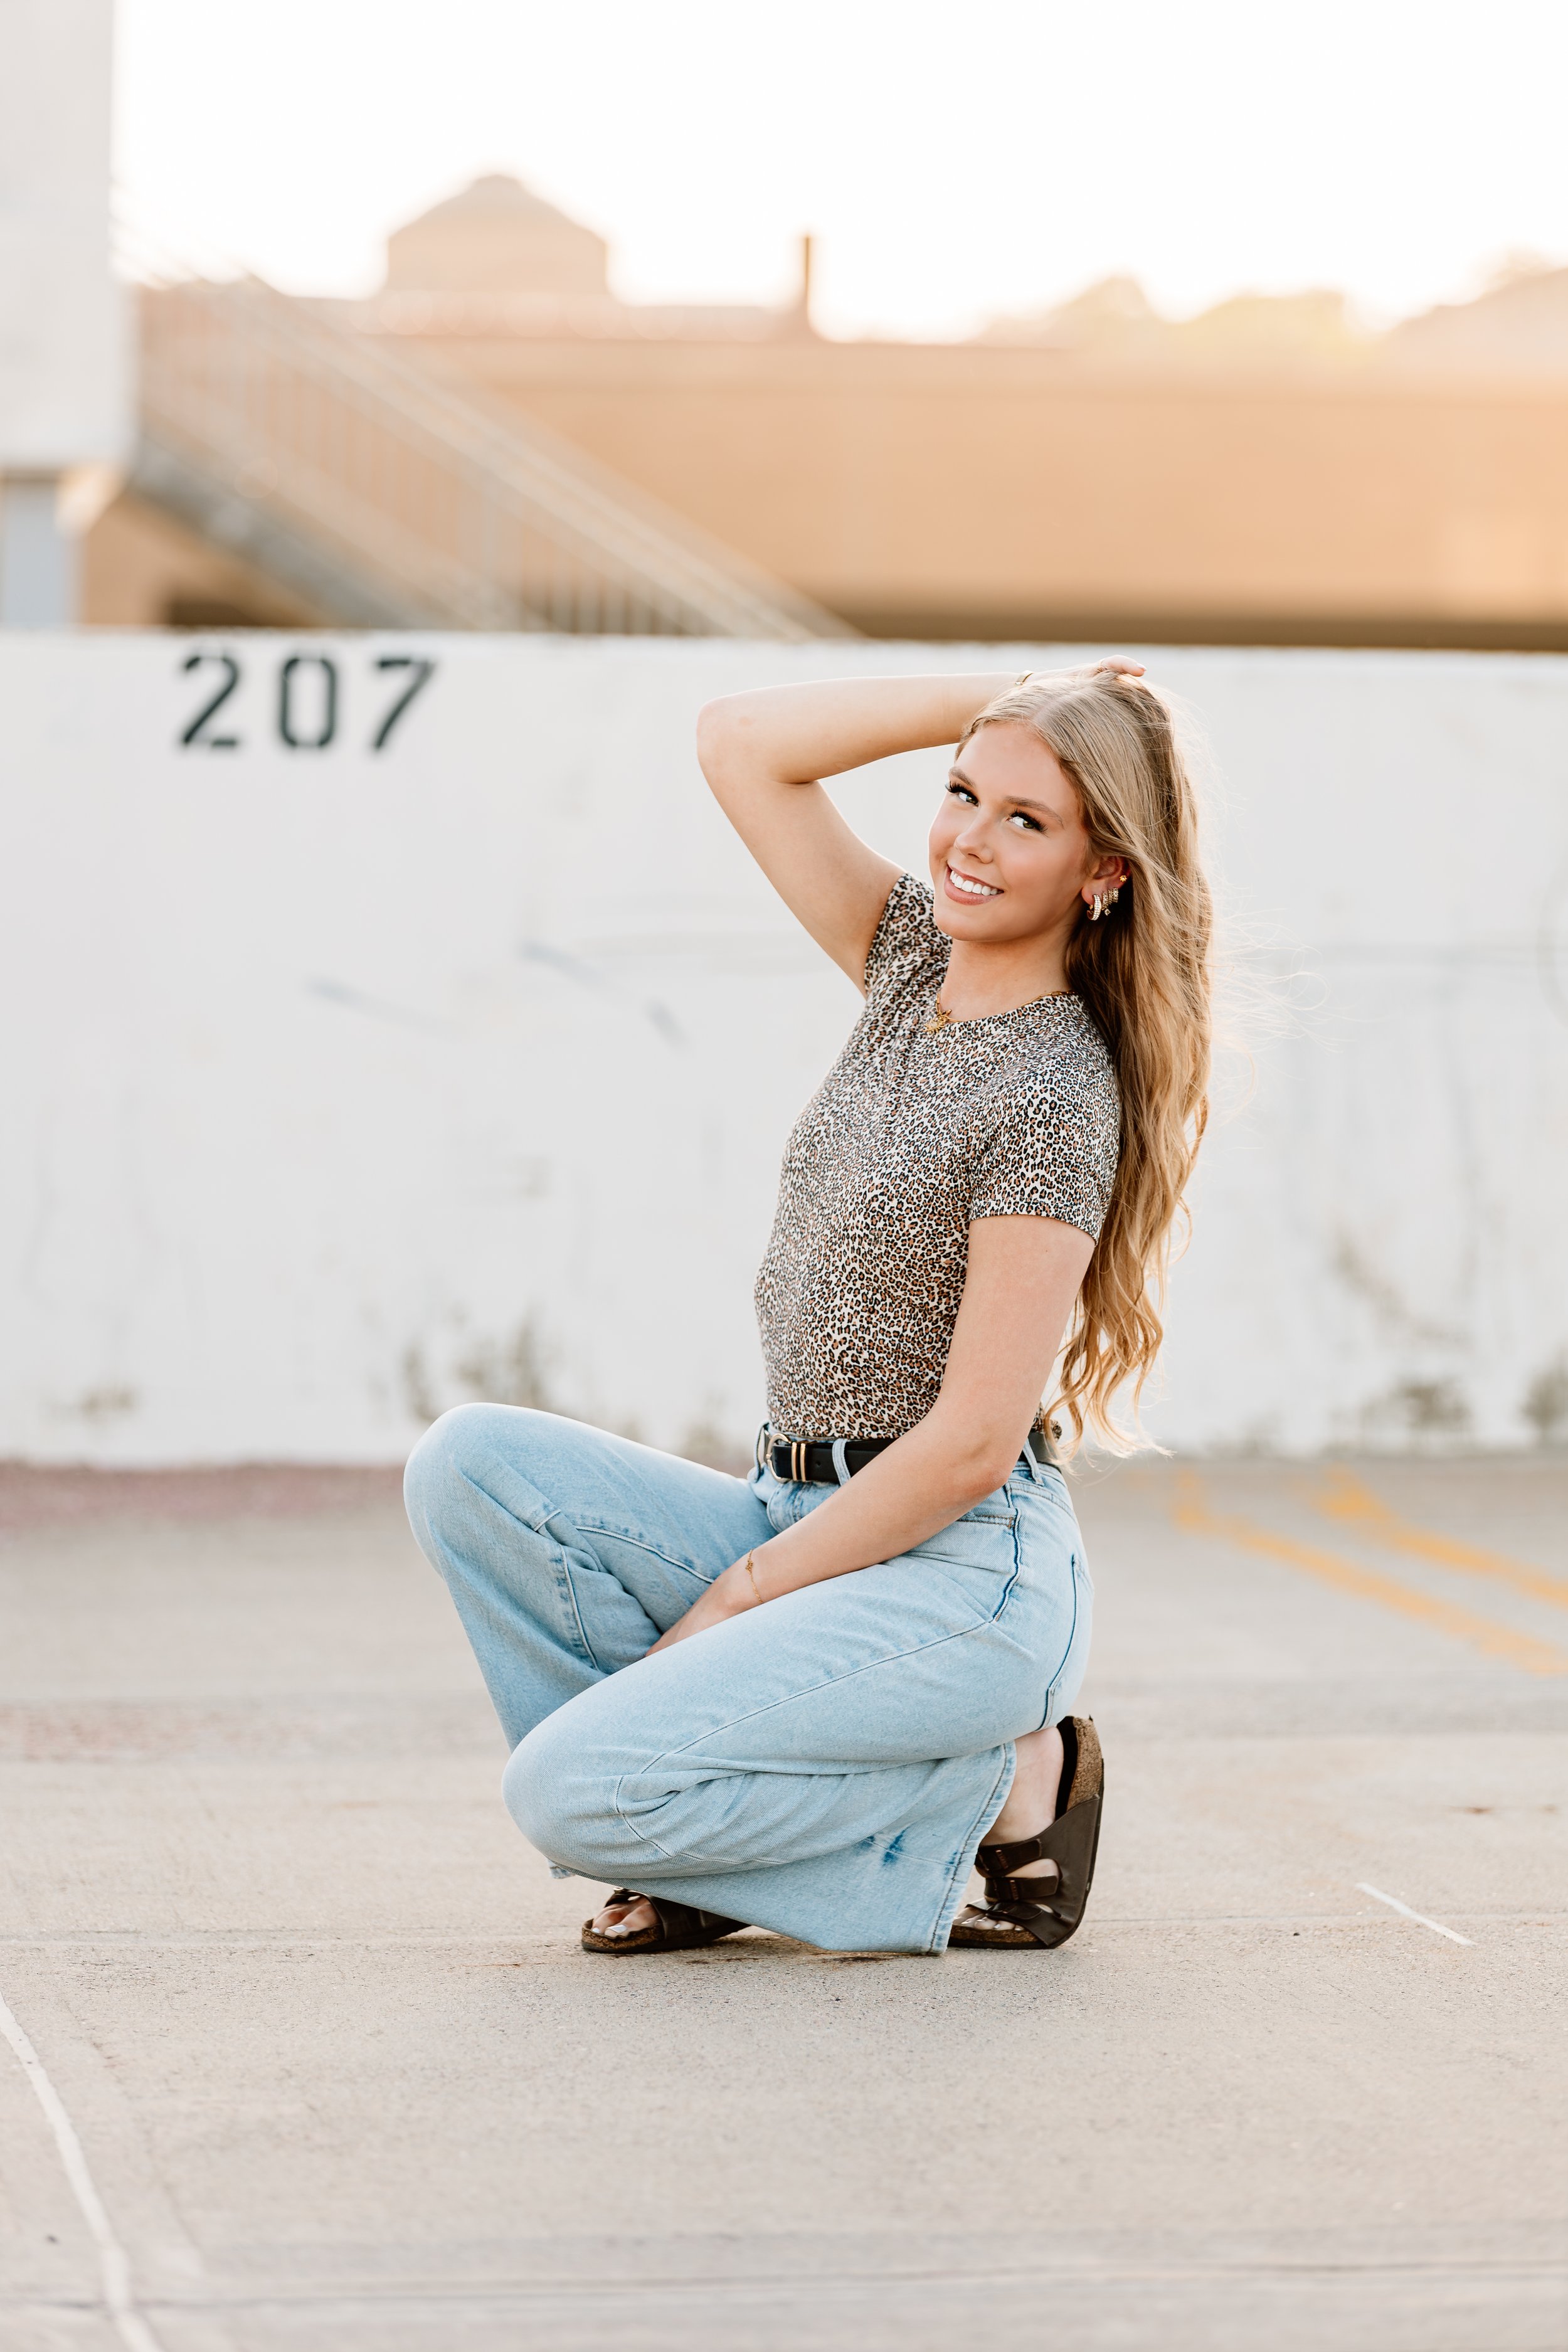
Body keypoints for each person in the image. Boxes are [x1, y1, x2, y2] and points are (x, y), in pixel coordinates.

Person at [404, 661, 1212, 1956]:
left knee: (564, 1795)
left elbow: (967, 1449)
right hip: (797, 1499)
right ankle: (696, 1844)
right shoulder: (906, 962)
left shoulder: (1056, 1096)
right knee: (471, 1468)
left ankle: (1009, 1784)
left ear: (1101, 871)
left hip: (956, 1576)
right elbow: (737, 742)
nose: (968, 840)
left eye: (1025, 820)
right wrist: (1007, 696)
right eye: (961, 794)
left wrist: (741, 1597)